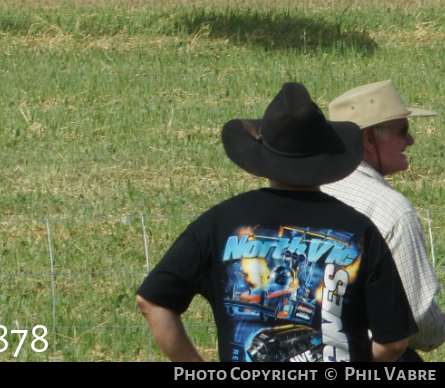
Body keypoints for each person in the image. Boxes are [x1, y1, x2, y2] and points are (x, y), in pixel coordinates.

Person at [137, 82, 416, 363]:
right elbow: (393, 343)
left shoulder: (220, 221)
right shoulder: (360, 230)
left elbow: (152, 301)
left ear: (264, 154)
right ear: (326, 156)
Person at [325, 80, 444, 359]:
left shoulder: (311, 189)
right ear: (368, 138)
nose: (411, 140)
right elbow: (419, 324)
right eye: (403, 130)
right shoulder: (391, 209)